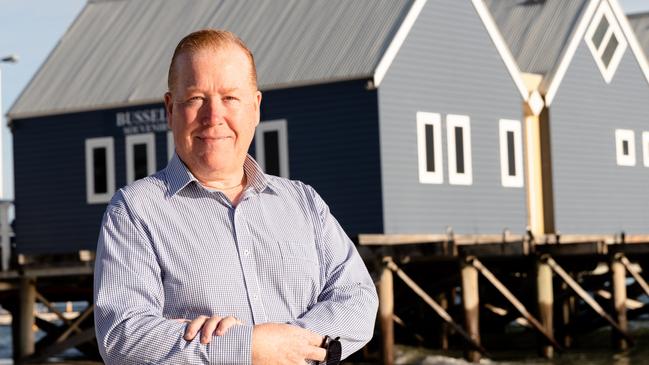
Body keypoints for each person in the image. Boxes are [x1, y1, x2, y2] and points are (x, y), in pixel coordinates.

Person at [93, 29, 378, 365]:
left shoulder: (304, 203)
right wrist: (249, 348)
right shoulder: (135, 210)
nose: (214, 117)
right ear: (170, 109)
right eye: (196, 98)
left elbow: (357, 298)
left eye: (230, 98)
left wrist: (286, 346)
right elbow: (124, 336)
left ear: (255, 108)